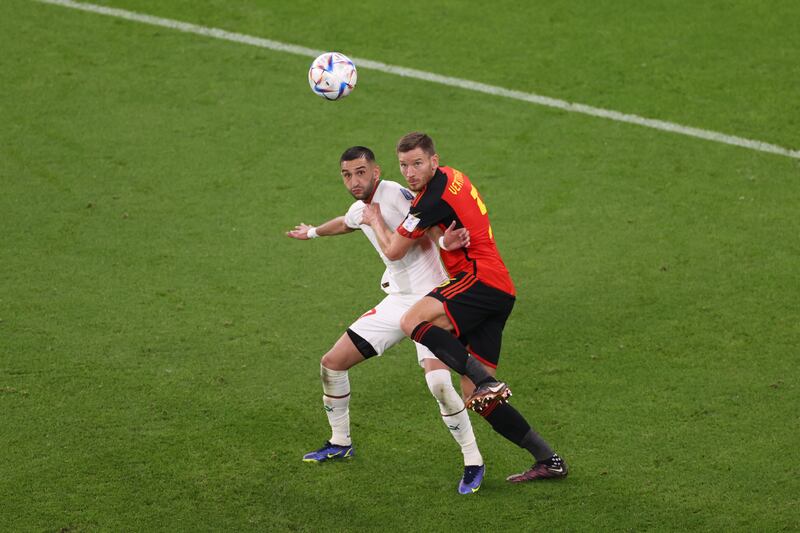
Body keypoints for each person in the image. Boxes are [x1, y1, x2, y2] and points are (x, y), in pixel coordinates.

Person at [360, 132, 568, 482]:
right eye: (404, 166)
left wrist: (374, 219)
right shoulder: (453, 178)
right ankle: (549, 459)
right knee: (477, 399)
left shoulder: (428, 202)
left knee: (412, 321)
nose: (410, 173)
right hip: (498, 288)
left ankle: (485, 378)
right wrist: (444, 240)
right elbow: (442, 224)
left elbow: (395, 250)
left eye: (417, 164)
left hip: (478, 281)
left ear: (434, 161)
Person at [286, 146, 486, 494]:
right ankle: (340, 441)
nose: (354, 180)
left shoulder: (395, 194)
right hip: (399, 301)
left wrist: (445, 243)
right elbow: (348, 222)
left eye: (361, 172)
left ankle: (473, 461)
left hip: (434, 302)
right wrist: (314, 232)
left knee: (439, 385)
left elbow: (427, 224)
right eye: (347, 175)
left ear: (376, 171)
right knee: (332, 363)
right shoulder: (361, 207)